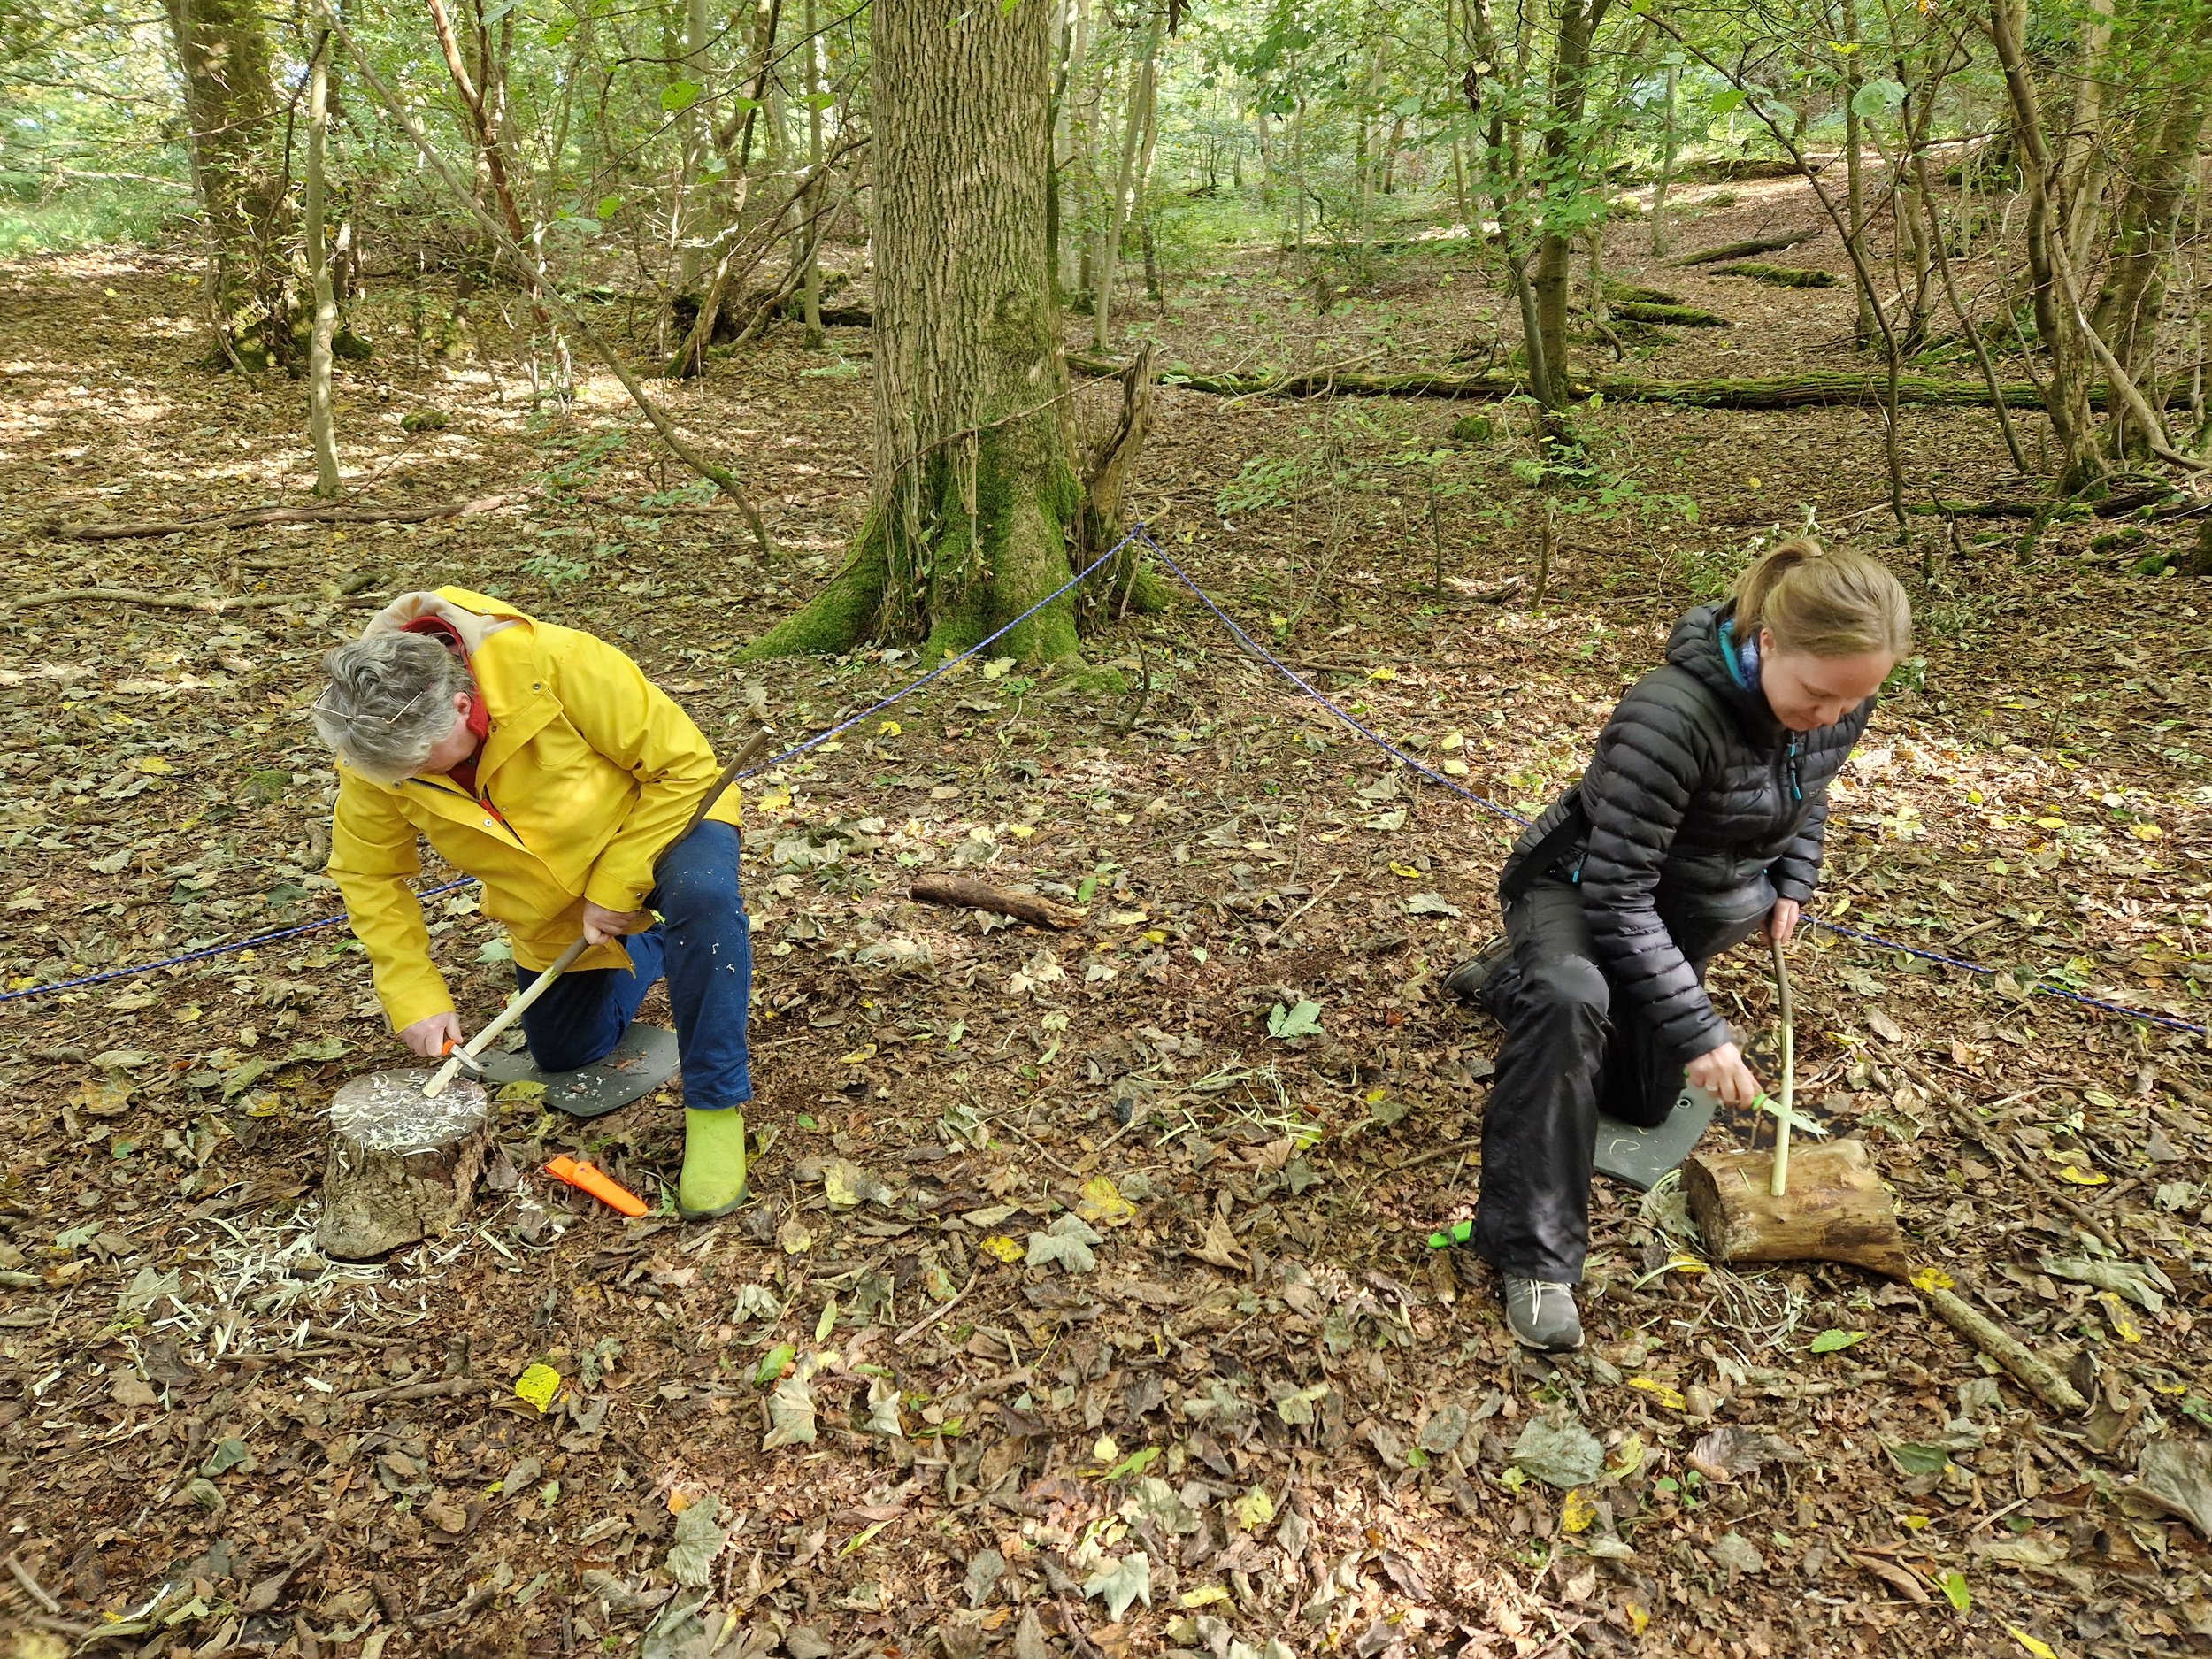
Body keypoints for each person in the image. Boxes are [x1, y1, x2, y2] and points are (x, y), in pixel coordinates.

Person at [1441, 539, 1910, 1351]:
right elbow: (1617, 896)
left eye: (1853, 700)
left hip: (1683, 907)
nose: (1834, 715)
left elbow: (1810, 786)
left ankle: (1509, 982)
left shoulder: (1836, 696)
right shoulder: (1669, 714)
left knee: (1641, 1102)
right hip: (1584, 887)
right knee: (1569, 1001)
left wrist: (1796, 873)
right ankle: (1536, 1254)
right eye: (1819, 694)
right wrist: (1701, 1031)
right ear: (1768, 643)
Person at [309, 587, 754, 1220]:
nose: (405, 781)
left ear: (463, 707)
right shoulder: (377, 747)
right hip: (552, 899)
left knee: (703, 901)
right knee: (568, 1050)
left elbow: (686, 768)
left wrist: (614, 888)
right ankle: (652, 942)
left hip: (664, 827)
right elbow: (370, 875)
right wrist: (413, 992)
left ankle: (715, 1105)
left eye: (417, 766)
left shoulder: (557, 663)